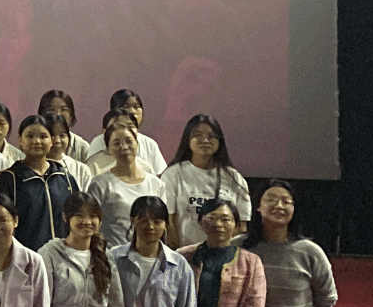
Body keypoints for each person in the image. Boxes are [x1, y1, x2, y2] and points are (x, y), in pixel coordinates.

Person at [163, 115, 252, 247]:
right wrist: (178, 254)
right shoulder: (173, 174)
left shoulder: (234, 177)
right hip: (184, 253)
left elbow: (241, 225)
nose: (205, 140)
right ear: (187, 139)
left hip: (223, 254)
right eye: (198, 135)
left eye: (211, 136)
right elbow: (169, 222)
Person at [0, 114, 79, 252]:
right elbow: (2, 224)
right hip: (27, 259)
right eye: (29, 136)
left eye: (43, 136)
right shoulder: (10, 179)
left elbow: (76, 218)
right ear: (20, 140)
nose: (37, 141)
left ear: (51, 140)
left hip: (64, 257)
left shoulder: (65, 178)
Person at [86, 122, 164, 250]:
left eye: (129, 141)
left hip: (149, 255)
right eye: (117, 143)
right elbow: (92, 226)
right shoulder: (99, 185)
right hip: (111, 256)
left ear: (137, 144)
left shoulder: (156, 184)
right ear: (109, 148)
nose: (124, 147)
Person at [87, 89, 166, 173]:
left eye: (136, 107)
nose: (132, 111)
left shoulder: (149, 145)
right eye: (125, 107)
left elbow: (159, 174)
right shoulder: (98, 142)